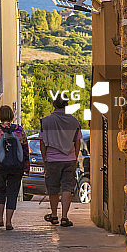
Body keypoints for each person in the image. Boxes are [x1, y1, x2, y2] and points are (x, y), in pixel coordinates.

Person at [39, 94, 82, 227]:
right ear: (67, 105)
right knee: (67, 188)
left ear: (54, 104)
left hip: (52, 159)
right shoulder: (74, 122)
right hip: (69, 158)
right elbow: (77, 142)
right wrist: (75, 157)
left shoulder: (46, 121)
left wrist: (45, 158)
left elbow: (42, 142)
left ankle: (54, 215)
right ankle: (64, 217)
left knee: (53, 188)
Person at [0, 105, 30, 230]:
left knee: (0, 190)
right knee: (13, 193)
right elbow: (25, 150)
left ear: (0, 116)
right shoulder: (19, 130)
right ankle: (9, 222)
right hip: (16, 167)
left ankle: (0, 219)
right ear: (12, 116)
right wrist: (26, 167)